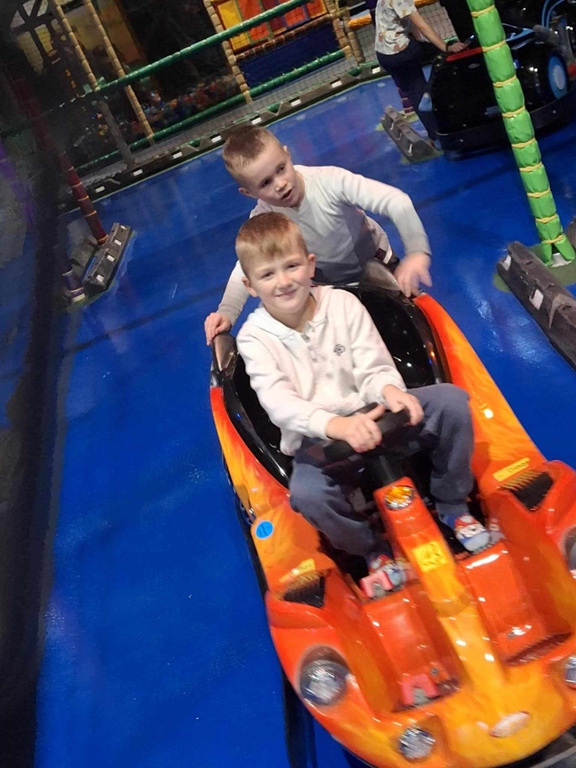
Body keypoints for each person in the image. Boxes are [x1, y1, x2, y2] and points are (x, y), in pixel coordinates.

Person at [234, 212, 490, 592]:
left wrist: (390, 391)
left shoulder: (342, 305)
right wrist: (336, 426)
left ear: (310, 265)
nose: (284, 281)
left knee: (451, 403)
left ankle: (453, 504)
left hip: (378, 415)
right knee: (307, 494)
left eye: (291, 266)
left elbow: (373, 364)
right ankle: (371, 549)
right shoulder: (254, 339)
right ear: (250, 285)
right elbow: (279, 403)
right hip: (320, 441)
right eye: (268, 274)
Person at [204, 125, 432, 345]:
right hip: (327, 287)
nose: (280, 184)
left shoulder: (328, 181)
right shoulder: (264, 218)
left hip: (377, 266)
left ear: (287, 155)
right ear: (248, 193)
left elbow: (396, 202)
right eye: (265, 183)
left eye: (281, 168)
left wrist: (416, 252)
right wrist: (227, 311)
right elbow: (248, 265)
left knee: (412, 325)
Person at [374, 0, 468, 143]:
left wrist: (423, 43)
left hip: (384, 56)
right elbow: (422, 26)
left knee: (413, 91)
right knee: (442, 59)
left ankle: (434, 133)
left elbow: (411, 26)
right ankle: (439, 129)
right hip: (401, 54)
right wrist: (446, 48)